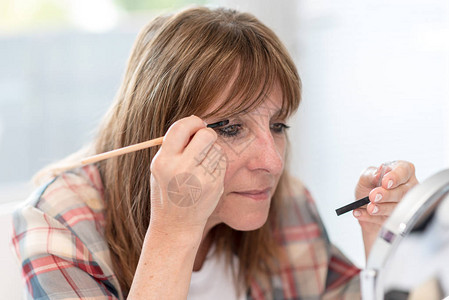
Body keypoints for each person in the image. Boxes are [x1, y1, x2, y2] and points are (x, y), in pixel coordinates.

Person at [11, 6, 418, 300]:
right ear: (158, 135)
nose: (273, 163)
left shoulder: (288, 206)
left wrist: (384, 238)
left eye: (277, 126)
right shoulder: (57, 228)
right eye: (230, 127)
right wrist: (174, 231)